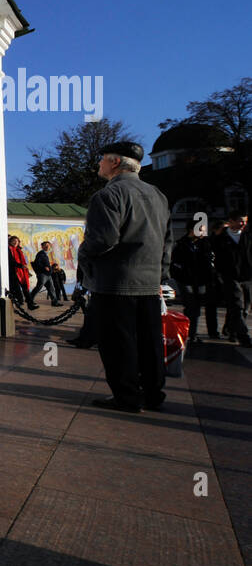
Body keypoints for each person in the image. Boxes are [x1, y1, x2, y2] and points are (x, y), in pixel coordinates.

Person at [77, 141, 172, 412]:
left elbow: (103, 239)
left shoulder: (107, 196)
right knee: (150, 342)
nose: (99, 164)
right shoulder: (158, 195)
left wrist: (84, 257)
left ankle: (126, 397)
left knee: (119, 344)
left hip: (115, 284)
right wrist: (160, 276)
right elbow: (167, 241)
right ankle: (154, 395)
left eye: (103, 160)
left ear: (115, 163)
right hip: (149, 283)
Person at [170, 217, 216, 345]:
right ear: (192, 229)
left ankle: (192, 333)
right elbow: (175, 263)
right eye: (200, 230)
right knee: (190, 306)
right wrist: (180, 276)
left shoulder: (205, 244)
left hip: (201, 280)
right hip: (186, 280)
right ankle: (188, 333)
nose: (202, 233)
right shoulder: (181, 244)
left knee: (196, 308)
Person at [211, 212, 252, 347]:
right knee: (237, 305)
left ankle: (232, 330)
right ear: (231, 221)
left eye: (245, 221)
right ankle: (243, 336)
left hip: (247, 277)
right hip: (229, 277)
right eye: (240, 221)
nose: (243, 224)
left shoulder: (247, 236)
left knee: (245, 306)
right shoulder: (220, 238)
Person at [32, 241, 63, 306]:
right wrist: (44, 268)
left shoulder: (45, 254)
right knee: (39, 287)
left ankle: (55, 302)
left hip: (48, 274)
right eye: (45, 245)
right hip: (42, 274)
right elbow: (37, 263)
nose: (47, 246)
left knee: (51, 288)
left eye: (48, 245)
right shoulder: (40, 254)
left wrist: (51, 269)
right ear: (42, 246)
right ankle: (30, 299)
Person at [8, 234, 34, 308]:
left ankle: (30, 304)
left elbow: (23, 261)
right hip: (14, 272)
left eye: (17, 241)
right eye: (13, 241)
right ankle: (20, 301)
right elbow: (11, 261)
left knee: (25, 287)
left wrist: (26, 269)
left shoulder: (19, 250)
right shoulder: (9, 250)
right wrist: (20, 265)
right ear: (10, 242)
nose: (15, 242)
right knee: (17, 288)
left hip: (21, 272)